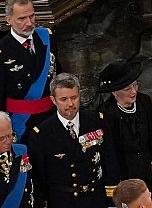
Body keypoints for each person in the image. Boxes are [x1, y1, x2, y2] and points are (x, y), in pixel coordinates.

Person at [28, 73, 120, 208]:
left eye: (74, 97)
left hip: (96, 198)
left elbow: (111, 162)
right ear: (53, 100)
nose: (70, 104)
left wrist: (111, 199)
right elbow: (39, 178)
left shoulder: (97, 122)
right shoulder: (42, 134)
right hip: (63, 201)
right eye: (64, 99)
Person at [0, 0, 60, 143]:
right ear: (9, 20)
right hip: (21, 125)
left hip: (50, 118)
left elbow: (58, 75)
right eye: (22, 19)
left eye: (32, 16)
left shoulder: (46, 37)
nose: (29, 23)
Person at [97, 60, 152, 188]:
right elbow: (110, 153)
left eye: (135, 85)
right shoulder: (105, 114)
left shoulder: (145, 101)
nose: (133, 92)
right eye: (127, 88)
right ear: (114, 92)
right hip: (126, 177)